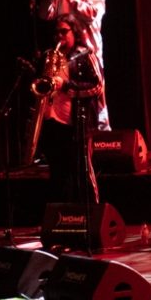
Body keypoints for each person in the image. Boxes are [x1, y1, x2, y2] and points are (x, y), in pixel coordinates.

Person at [38, 0, 110, 130]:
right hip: (67, 55)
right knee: (65, 101)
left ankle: (102, 137)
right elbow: (46, 15)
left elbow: (91, 14)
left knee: (96, 101)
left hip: (89, 53)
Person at [37, 15, 104, 203]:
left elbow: (97, 86)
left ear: (74, 32)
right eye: (57, 32)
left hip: (77, 123)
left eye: (64, 31)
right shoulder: (51, 56)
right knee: (57, 173)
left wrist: (66, 86)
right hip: (53, 122)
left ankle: (91, 210)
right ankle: (61, 213)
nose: (60, 36)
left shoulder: (84, 55)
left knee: (82, 171)